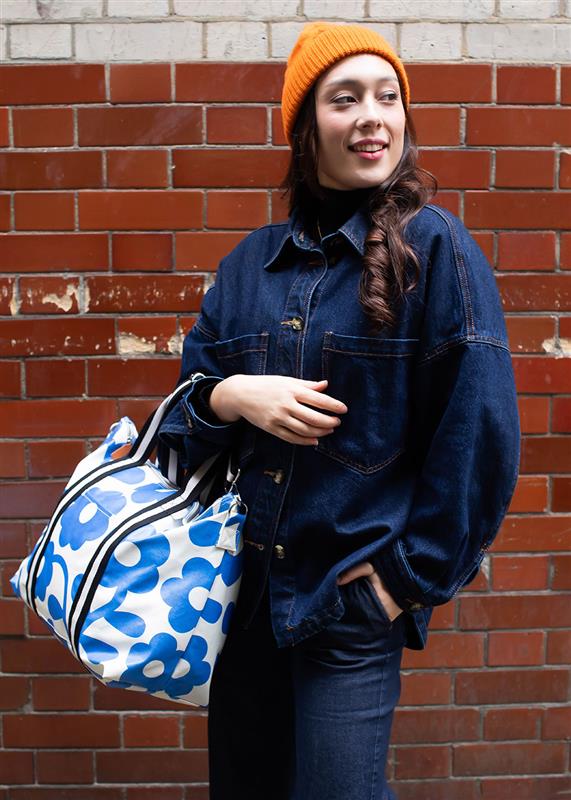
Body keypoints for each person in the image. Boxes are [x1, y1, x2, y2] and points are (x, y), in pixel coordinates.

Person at [158, 20, 521, 800]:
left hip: (345, 608)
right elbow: (179, 430)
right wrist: (228, 395)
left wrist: (399, 582)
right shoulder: (247, 264)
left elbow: (480, 434)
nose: (372, 116)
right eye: (344, 98)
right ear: (303, 127)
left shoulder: (436, 249)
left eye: (388, 98)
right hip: (241, 606)